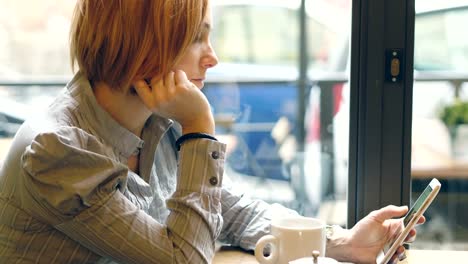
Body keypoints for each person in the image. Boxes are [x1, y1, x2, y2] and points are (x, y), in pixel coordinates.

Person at [0, 0, 423, 263]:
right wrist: (199, 128)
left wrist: (342, 242)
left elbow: (231, 210)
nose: (213, 58)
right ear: (144, 44)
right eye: (197, 39)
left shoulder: (152, 121)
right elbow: (184, 258)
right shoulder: (57, 150)